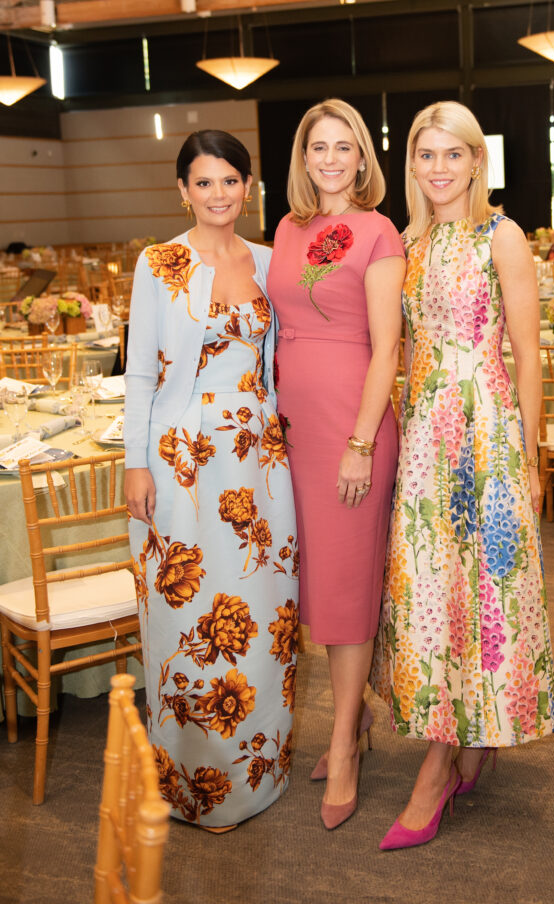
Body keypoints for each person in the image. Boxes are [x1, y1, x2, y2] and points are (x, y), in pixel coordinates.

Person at [371, 101, 554, 851]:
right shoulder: (406, 242)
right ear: (412, 165)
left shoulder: (501, 235)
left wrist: (532, 457)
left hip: (485, 438)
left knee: (483, 590)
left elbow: (524, 354)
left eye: (453, 155)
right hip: (424, 439)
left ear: (476, 162)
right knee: (428, 590)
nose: (439, 168)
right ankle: (463, 736)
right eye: (426, 156)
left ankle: (436, 768)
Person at [124, 130, 298, 831]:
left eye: (230, 180)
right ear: (182, 190)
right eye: (204, 182)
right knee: (191, 618)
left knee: (262, 620)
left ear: (249, 186)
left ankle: (261, 771)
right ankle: (197, 788)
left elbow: (281, 362)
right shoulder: (159, 262)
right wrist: (135, 462)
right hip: (183, 460)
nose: (218, 194)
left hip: (259, 460)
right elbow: (139, 371)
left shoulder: (269, 259)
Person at [267, 99, 405, 830]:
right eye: (317, 146)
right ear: (303, 156)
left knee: (348, 591)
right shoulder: (286, 231)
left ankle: (344, 745)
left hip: (352, 429)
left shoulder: (379, 231)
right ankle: (353, 725)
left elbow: (386, 347)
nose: (329, 158)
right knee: (316, 588)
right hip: (292, 431)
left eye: (342, 147)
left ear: (361, 158)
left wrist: (359, 441)